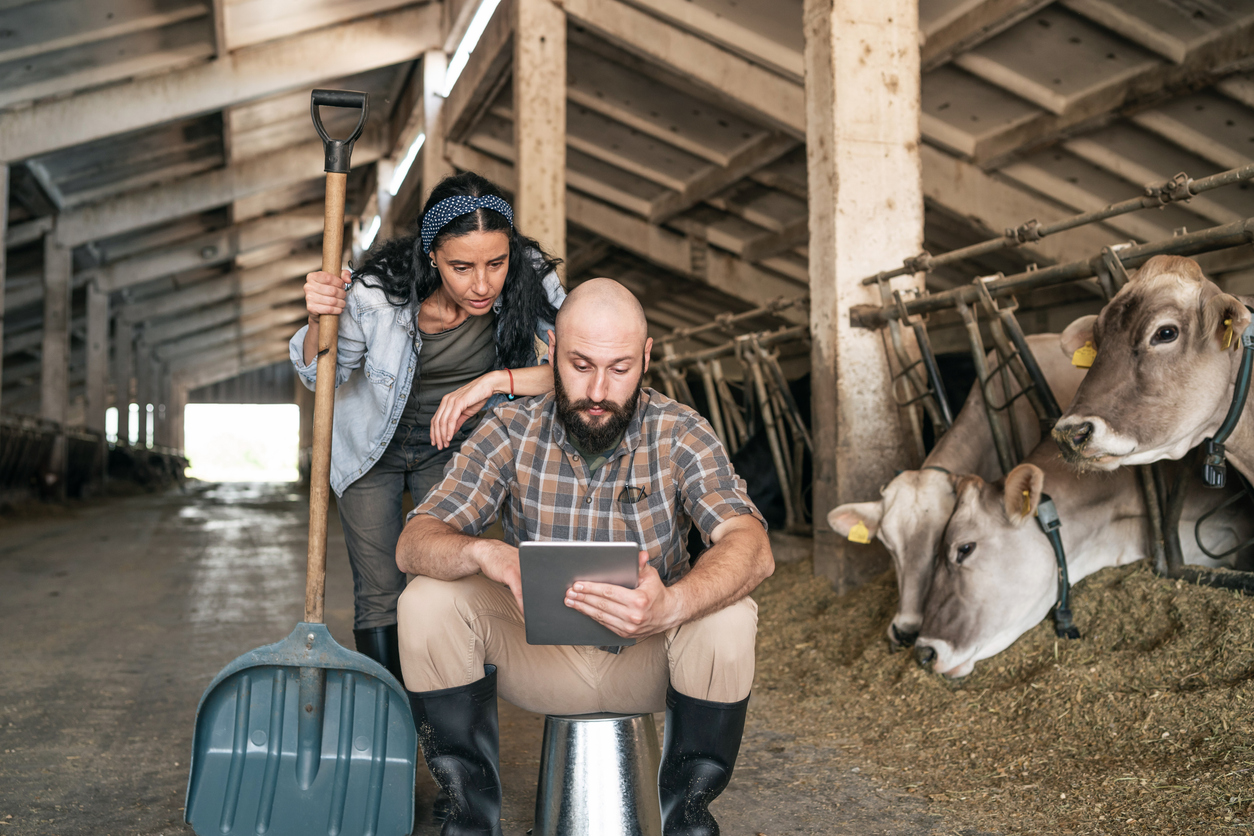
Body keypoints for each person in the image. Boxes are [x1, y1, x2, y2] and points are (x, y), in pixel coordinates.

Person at [395, 278, 775, 836]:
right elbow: (413, 541)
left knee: (729, 615)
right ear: (551, 352)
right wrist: (488, 553)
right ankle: (469, 820)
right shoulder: (508, 430)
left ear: (646, 357)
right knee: (425, 599)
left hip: (651, 656)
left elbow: (754, 548)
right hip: (535, 652)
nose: (598, 390)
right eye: (580, 365)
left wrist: (672, 604)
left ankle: (687, 821)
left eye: (619, 368)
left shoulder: (681, 431)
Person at [288, 172, 566, 683]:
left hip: (455, 446)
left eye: (495, 263)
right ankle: (391, 716)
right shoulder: (377, 293)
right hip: (371, 449)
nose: (482, 284)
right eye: (462, 267)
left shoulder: (530, 279)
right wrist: (317, 319)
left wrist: (491, 382)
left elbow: (577, 366)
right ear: (432, 256)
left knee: (441, 575)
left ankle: (438, 707)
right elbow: (320, 373)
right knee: (380, 590)